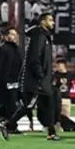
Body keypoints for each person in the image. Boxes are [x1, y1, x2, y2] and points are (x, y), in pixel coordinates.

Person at [18, 13, 60, 141]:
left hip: (42, 78)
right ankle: (8, 125)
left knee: (45, 105)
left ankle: (51, 132)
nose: (53, 23)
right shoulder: (40, 36)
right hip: (39, 79)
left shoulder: (44, 36)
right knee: (30, 106)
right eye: (50, 20)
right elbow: (35, 59)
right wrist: (41, 76)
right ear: (43, 22)